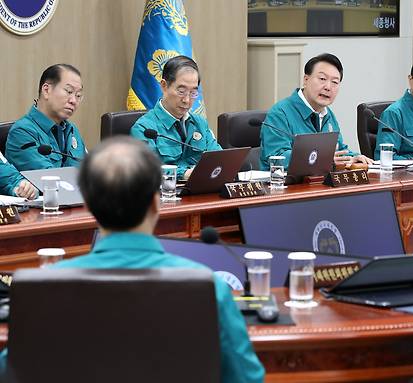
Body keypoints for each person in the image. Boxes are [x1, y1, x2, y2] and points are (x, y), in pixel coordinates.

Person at [47, 136, 261, 382]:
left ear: (89, 206)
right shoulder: (209, 288)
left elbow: (15, 370)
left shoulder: (48, 287)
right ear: (156, 204)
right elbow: (246, 377)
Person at [259, 53, 372, 170]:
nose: (328, 87)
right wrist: (321, 158)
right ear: (306, 80)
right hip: (284, 185)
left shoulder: (327, 114)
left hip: (318, 184)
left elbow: (338, 149)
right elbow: (278, 158)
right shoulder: (280, 113)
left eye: (334, 82)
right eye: (322, 79)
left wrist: (354, 157)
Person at [131, 55, 221, 180]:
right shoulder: (144, 128)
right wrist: (184, 174)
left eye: (193, 93)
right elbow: (149, 170)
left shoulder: (200, 123)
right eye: (181, 91)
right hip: (166, 195)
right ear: (164, 86)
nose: (187, 100)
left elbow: (219, 159)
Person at [6, 64, 87, 171]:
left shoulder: (72, 130)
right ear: (46, 90)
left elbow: (88, 172)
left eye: (78, 95)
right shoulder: (22, 132)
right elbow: (49, 181)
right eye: (69, 91)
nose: (73, 101)